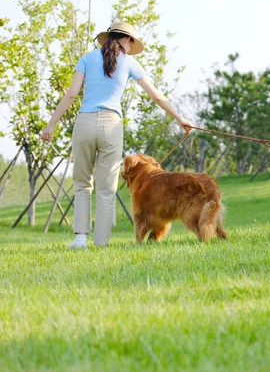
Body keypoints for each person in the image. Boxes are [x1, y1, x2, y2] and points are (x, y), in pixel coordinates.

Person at [41, 21, 192, 248]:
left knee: (82, 183)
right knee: (106, 188)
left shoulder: (87, 58)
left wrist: (51, 125)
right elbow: (157, 97)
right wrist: (180, 118)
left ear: (109, 37)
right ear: (128, 41)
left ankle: (80, 238)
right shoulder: (130, 63)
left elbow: (72, 94)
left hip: (84, 123)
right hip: (112, 126)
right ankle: (101, 243)